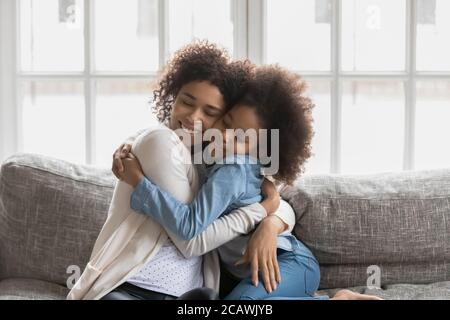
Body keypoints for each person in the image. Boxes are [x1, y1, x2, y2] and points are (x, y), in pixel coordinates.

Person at [117, 64, 383, 301]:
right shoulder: (204, 153)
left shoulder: (234, 166)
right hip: (258, 273)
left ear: (259, 150)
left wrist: (139, 183)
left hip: (288, 262)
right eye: (227, 123)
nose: (226, 138)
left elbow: (190, 227)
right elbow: (164, 137)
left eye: (242, 137)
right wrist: (131, 144)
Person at [67, 41, 295, 300]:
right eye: (187, 102)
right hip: (132, 282)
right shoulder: (162, 143)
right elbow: (191, 239)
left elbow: (280, 200)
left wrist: (271, 220)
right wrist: (262, 210)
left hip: (193, 289)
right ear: (172, 96)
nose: (193, 117)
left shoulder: (215, 157)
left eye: (210, 112)